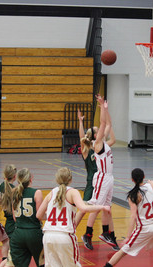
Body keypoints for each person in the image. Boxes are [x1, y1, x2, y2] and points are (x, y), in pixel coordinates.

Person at [37, 167, 111, 267]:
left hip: (48, 236)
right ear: (71, 179)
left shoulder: (52, 192)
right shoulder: (72, 192)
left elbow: (39, 215)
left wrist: (53, 217)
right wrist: (102, 207)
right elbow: (83, 208)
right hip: (64, 236)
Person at [104, 168, 153, 267]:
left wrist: (128, 237)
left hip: (146, 227)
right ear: (144, 177)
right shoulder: (152, 186)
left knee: (123, 250)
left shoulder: (133, 195)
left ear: (132, 180)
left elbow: (133, 216)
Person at [81, 95, 119, 251]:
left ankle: (105, 233)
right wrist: (101, 107)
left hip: (109, 178)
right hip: (102, 178)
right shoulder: (97, 145)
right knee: (97, 207)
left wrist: (106, 108)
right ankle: (87, 234)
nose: (100, 128)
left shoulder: (104, 143)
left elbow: (108, 123)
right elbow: (103, 123)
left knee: (106, 207)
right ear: (96, 136)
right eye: (98, 130)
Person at [10, 168, 44, 267]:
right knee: (42, 262)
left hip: (18, 234)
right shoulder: (37, 192)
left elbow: (14, 217)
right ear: (31, 178)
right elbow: (39, 216)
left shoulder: (14, 192)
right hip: (33, 233)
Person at [74, 108, 98, 227]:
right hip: (91, 182)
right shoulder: (87, 150)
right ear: (93, 135)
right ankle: (71, 229)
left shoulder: (100, 148)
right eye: (97, 131)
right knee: (84, 209)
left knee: (104, 208)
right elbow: (81, 138)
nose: (100, 133)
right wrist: (80, 122)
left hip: (101, 181)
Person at [0, 164, 17, 267]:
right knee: (14, 253)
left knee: (7, 245)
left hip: (7, 220)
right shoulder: (14, 189)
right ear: (14, 176)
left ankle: (3, 262)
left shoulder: (1, 186)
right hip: (13, 221)